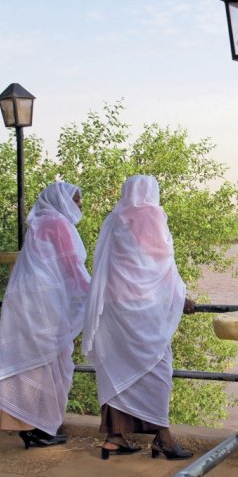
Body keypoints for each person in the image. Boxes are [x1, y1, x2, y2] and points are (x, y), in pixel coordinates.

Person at [82, 175, 195, 460]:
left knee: (115, 367)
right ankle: (163, 438)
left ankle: (114, 437)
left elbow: (104, 263)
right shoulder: (153, 216)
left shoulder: (113, 219)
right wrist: (181, 297)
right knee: (159, 368)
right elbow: (159, 263)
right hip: (144, 308)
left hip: (113, 309)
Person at [0, 181, 90, 449]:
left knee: (31, 360)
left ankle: (29, 426)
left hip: (24, 300)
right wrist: (97, 293)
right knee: (49, 361)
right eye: (76, 200)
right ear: (61, 200)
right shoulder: (59, 224)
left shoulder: (37, 223)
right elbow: (72, 266)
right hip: (46, 303)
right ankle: (44, 428)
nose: (79, 206)